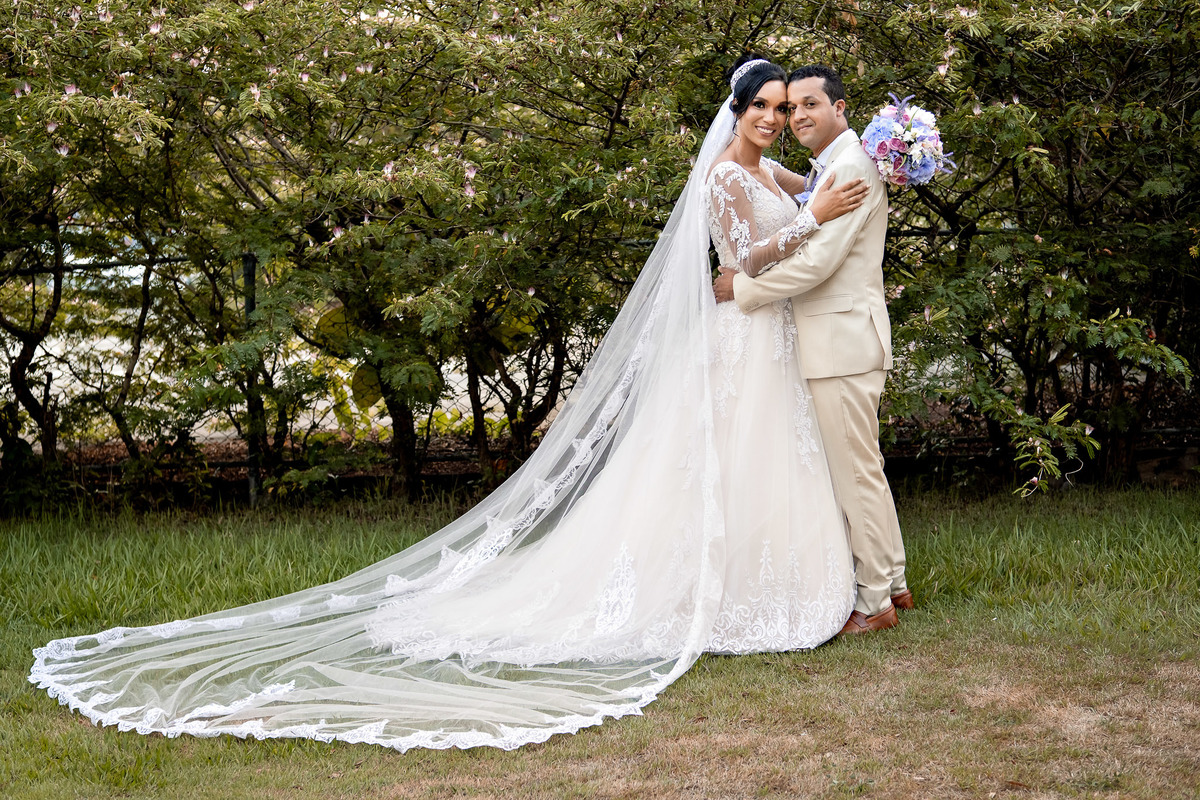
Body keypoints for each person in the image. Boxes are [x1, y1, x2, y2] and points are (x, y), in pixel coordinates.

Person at [30, 57, 863, 753]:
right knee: (729, 458)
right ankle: (712, 590)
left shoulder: (771, 168)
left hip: (768, 336)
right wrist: (814, 217)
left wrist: (874, 160)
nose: (770, 117)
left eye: (781, 107)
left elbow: (818, 178)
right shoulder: (724, 173)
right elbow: (749, 251)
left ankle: (770, 579)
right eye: (758, 106)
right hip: (740, 336)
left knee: (762, 458)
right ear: (735, 111)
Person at [714, 64, 910, 634]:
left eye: (805, 104)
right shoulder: (826, 166)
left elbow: (819, 263)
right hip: (834, 338)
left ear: (840, 107)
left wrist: (743, 289)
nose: (791, 116)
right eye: (782, 106)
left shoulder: (848, 167)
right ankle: (893, 583)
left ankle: (874, 602)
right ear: (741, 110)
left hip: (838, 339)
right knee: (861, 468)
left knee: (855, 473)